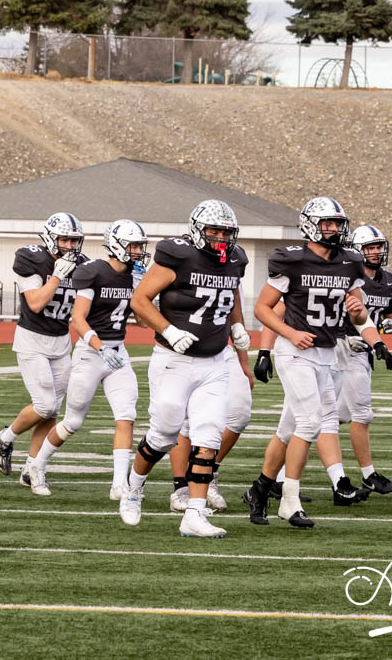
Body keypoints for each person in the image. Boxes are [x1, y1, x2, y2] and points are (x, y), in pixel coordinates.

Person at [241, 197, 387, 530]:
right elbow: (262, 308)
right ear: (310, 225)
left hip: (327, 353)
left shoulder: (350, 261)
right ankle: (289, 501)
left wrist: (358, 312)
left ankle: (258, 490)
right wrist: (290, 333)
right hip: (295, 352)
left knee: (288, 430)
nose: (334, 229)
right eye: (327, 223)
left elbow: (359, 314)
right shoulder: (292, 259)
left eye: (337, 223)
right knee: (310, 424)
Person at [119, 200, 250, 539]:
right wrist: (169, 330)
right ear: (197, 229)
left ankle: (194, 513)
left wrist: (237, 326)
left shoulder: (235, 259)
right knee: (163, 434)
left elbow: (230, 293)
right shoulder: (178, 255)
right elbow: (139, 300)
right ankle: (134, 487)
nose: (221, 237)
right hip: (173, 360)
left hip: (215, 362)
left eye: (226, 232)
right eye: (214, 230)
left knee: (208, 436)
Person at [27, 219, 148, 498]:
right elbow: (78, 319)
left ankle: (119, 485)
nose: (138, 252)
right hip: (91, 353)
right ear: (116, 245)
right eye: (133, 246)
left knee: (127, 415)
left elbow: (142, 321)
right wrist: (100, 346)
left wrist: (143, 293)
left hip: (118, 353)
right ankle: (37, 464)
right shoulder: (93, 272)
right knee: (73, 422)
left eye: (139, 246)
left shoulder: (135, 276)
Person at [0, 213, 87, 485]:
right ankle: (6, 437)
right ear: (50, 238)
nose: (69, 246)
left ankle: (31, 468)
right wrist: (57, 277)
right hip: (32, 339)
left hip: (61, 341)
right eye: (64, 239)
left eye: (74, 240)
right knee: (44, 405)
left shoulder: (82, 264)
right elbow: (35, 303)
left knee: (53, 410)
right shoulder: (31, 258)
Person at [336, 225, 392, 494]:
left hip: (366, 350)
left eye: (378, 247)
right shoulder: (347, 277)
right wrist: (343, 336)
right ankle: (368, 474)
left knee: (334, 415)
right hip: (341, 349)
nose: (375, 252)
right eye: (369, 248)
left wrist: (388, 327)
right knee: (361, 413)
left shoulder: (389, 282)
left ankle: (281, 475)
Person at [167, 341, 254, 513]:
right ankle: (181, 488)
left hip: (221, 350)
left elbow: (236, 325)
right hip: (183, 352)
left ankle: (208, 473)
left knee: (239, 414)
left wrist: (243, 362)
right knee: (184, 420)